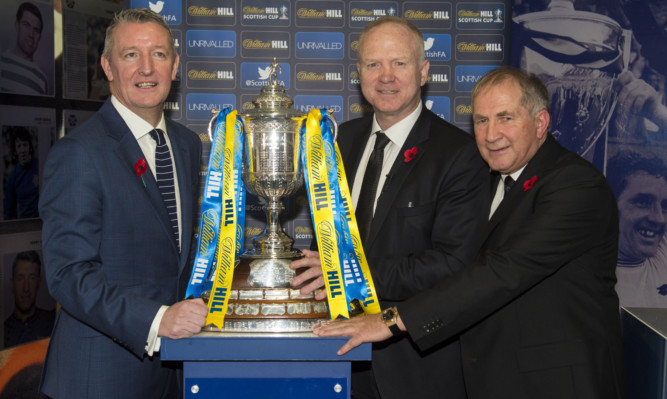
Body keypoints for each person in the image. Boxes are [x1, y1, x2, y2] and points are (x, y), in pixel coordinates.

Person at [314, 66, 625, 399]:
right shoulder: (492, 181)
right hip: (494, 378)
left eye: (506, 118)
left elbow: (503, 271)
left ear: (540, 123)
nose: (491, 135)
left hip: (557, 384)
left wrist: (389, 320)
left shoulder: (576, 186)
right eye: (481, 120)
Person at [290, 16, 487, 399]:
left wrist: (350, 273)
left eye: (399, 63)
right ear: (358, 74)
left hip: (414, 366)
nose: (386, 76)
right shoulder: (337, 143)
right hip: (338, 357)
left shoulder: (458, 155)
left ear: (424, 71)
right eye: (373, 64)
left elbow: (452, 264)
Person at [38, 8, 207, 399]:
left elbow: (175, 257)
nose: (146, 68)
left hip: (171, 375)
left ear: (175, 65)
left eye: (159, 55)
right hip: (99, 378)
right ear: (108, 66)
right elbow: (69, 274)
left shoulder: (185, 144)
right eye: (131, 55)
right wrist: (159, 318)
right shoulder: (79, 153)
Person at [608, 151, 667, 307]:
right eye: (642, 202)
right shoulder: (583, 275)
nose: (659, 218)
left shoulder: (663, 252)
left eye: (664, 206)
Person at [4, 251, 54, 348]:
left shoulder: (52, 320)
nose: (26, 288)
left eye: (32, 278)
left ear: (39, 283)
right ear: (11, 284)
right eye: (20, 278)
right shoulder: (4, 330)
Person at [0, 2, 48, 95]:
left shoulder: (42, 79)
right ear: (17, 26)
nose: (31, 34)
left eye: (36, 29)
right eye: (26, 24)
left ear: (39, 37)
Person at [3, 126, 39, 220]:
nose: (22, 150)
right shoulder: (13, 176)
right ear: (15, 151)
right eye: (19, 146)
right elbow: (8, 211)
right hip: (24, 225)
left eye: (25, 145)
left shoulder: (40, 166)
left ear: (30, 147)